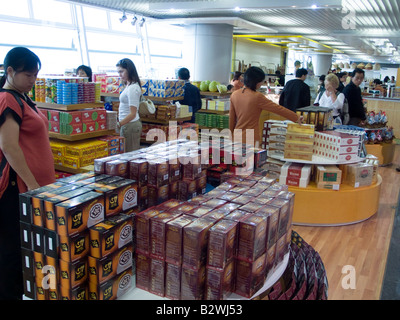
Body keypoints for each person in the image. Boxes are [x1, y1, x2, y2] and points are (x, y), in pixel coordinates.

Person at [0, 47, 55, 300]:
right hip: (18, 189)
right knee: (13, 251)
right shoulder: (8, 98)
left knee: (29, 248)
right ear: (10, 71)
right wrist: (33, 185)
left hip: (34, 188)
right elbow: (9, 146)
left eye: (35, 75)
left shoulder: (23, 96)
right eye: (28, 75)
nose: (33, 81)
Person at [229, 66, 302, 147]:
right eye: (261, 81)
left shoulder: (234, 94)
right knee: (250, 159)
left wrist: (231, 135)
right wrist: (296, 117)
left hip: (237, 136)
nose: (261, 84)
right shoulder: (257, 97)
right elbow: (277, 109)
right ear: (256, 82)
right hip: (251, 138)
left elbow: (232, 119)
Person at [116, 58, 142, 151]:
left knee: (130, 155)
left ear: (129, 70)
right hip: (127, 124)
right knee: (126, 153)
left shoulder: (133, 88)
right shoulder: (129, 85)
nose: (120, 75)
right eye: (118, 72)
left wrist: (119, 124)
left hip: (130, 125)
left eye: (121, 71)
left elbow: (133, 113)